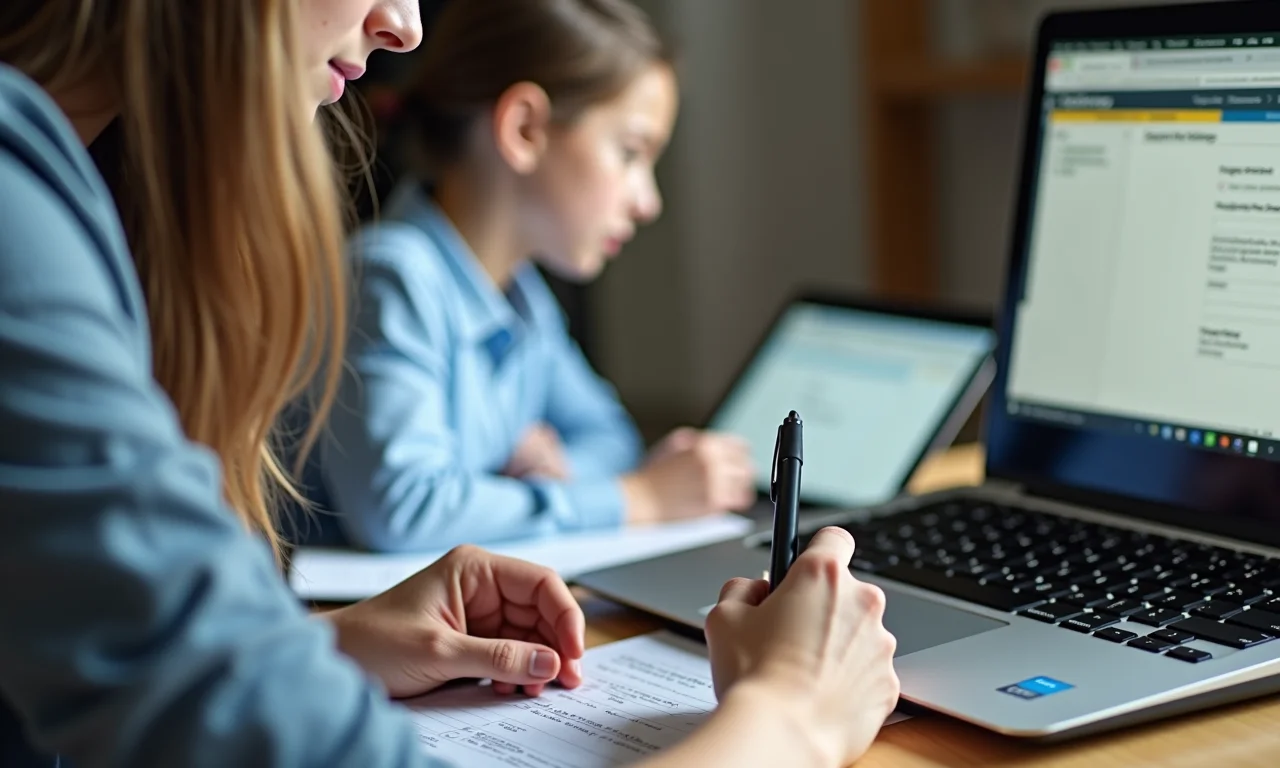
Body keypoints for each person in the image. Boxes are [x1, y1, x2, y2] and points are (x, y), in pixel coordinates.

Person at [0, 1, 899, 767]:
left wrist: (321, 648)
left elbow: (98, 649)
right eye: (630, 151)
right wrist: (792, 716)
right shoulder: (21, 230)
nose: (404, 23)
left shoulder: (61, 196)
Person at [301, 0, 757, 553]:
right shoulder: (391, 279)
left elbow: (610, 437)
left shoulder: (521, 298)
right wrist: (639, 499)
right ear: (525, 129)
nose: (648, 202)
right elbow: (402, 507)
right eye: (630, 153)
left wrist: (551, 475)